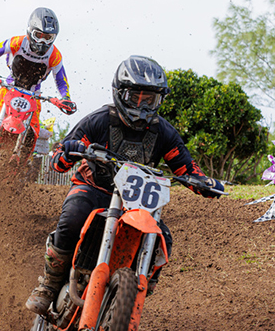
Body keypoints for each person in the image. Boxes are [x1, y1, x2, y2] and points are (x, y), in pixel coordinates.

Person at [24, 56, 225, 315]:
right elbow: (59, 158)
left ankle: (137, 287)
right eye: (134, 97)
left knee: (162, 237)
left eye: (149, 99)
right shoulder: (100, 120)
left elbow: (185, 167)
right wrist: (68, 152)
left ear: (159, 100)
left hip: (135, 203)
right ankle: (49, 284)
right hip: (94, 189)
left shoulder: (164, 132)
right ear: (119, 93)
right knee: (73, 217)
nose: (141, 106)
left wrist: (205, 183)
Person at [0, 7, 76, 178]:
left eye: (48, 37)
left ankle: (23, 165)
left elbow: (61, 78)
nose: (42, 41)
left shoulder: (54, 55)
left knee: (33, 130)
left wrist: (65, 98)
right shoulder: (17, 42)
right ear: (30, 31)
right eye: (38, 35)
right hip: (9, 88)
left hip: (33, 95)